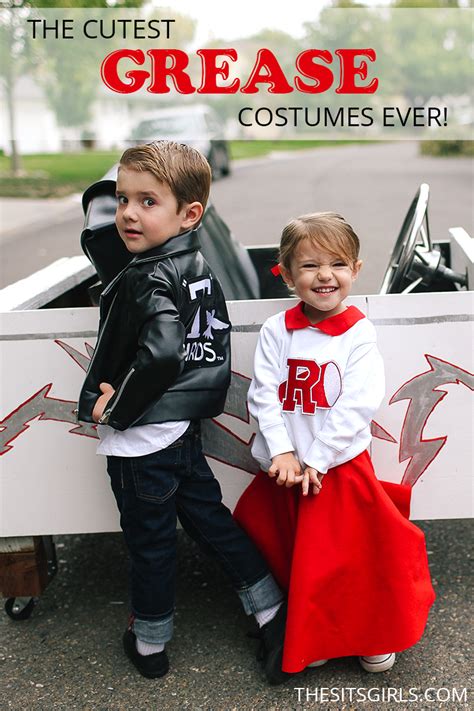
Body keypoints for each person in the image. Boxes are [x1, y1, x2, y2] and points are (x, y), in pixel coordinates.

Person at [77, 141, 285, 680]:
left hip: (142, 442)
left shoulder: (146, 275)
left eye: (147, 201)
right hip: (180, 428)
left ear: (189, 213)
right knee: (210, 520)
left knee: (150, 545)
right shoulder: (195, 264)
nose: (126, 212)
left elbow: (163, 350)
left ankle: (149, 644)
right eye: (122, 199)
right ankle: (270, 608)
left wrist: (114, 406)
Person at [234, 212, 435, 684]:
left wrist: (316, 460)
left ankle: (372, 634)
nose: (325, 275)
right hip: (287, 471)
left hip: (338, 468)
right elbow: (264, 394)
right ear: (284, 273)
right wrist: (283, 453)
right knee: (304, 562)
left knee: (357, 558)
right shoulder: (275, 331)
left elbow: (356, 404)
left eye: (337, 263)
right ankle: (316, 636)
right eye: (309, 266)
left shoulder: (358, 333)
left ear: (356, 270)